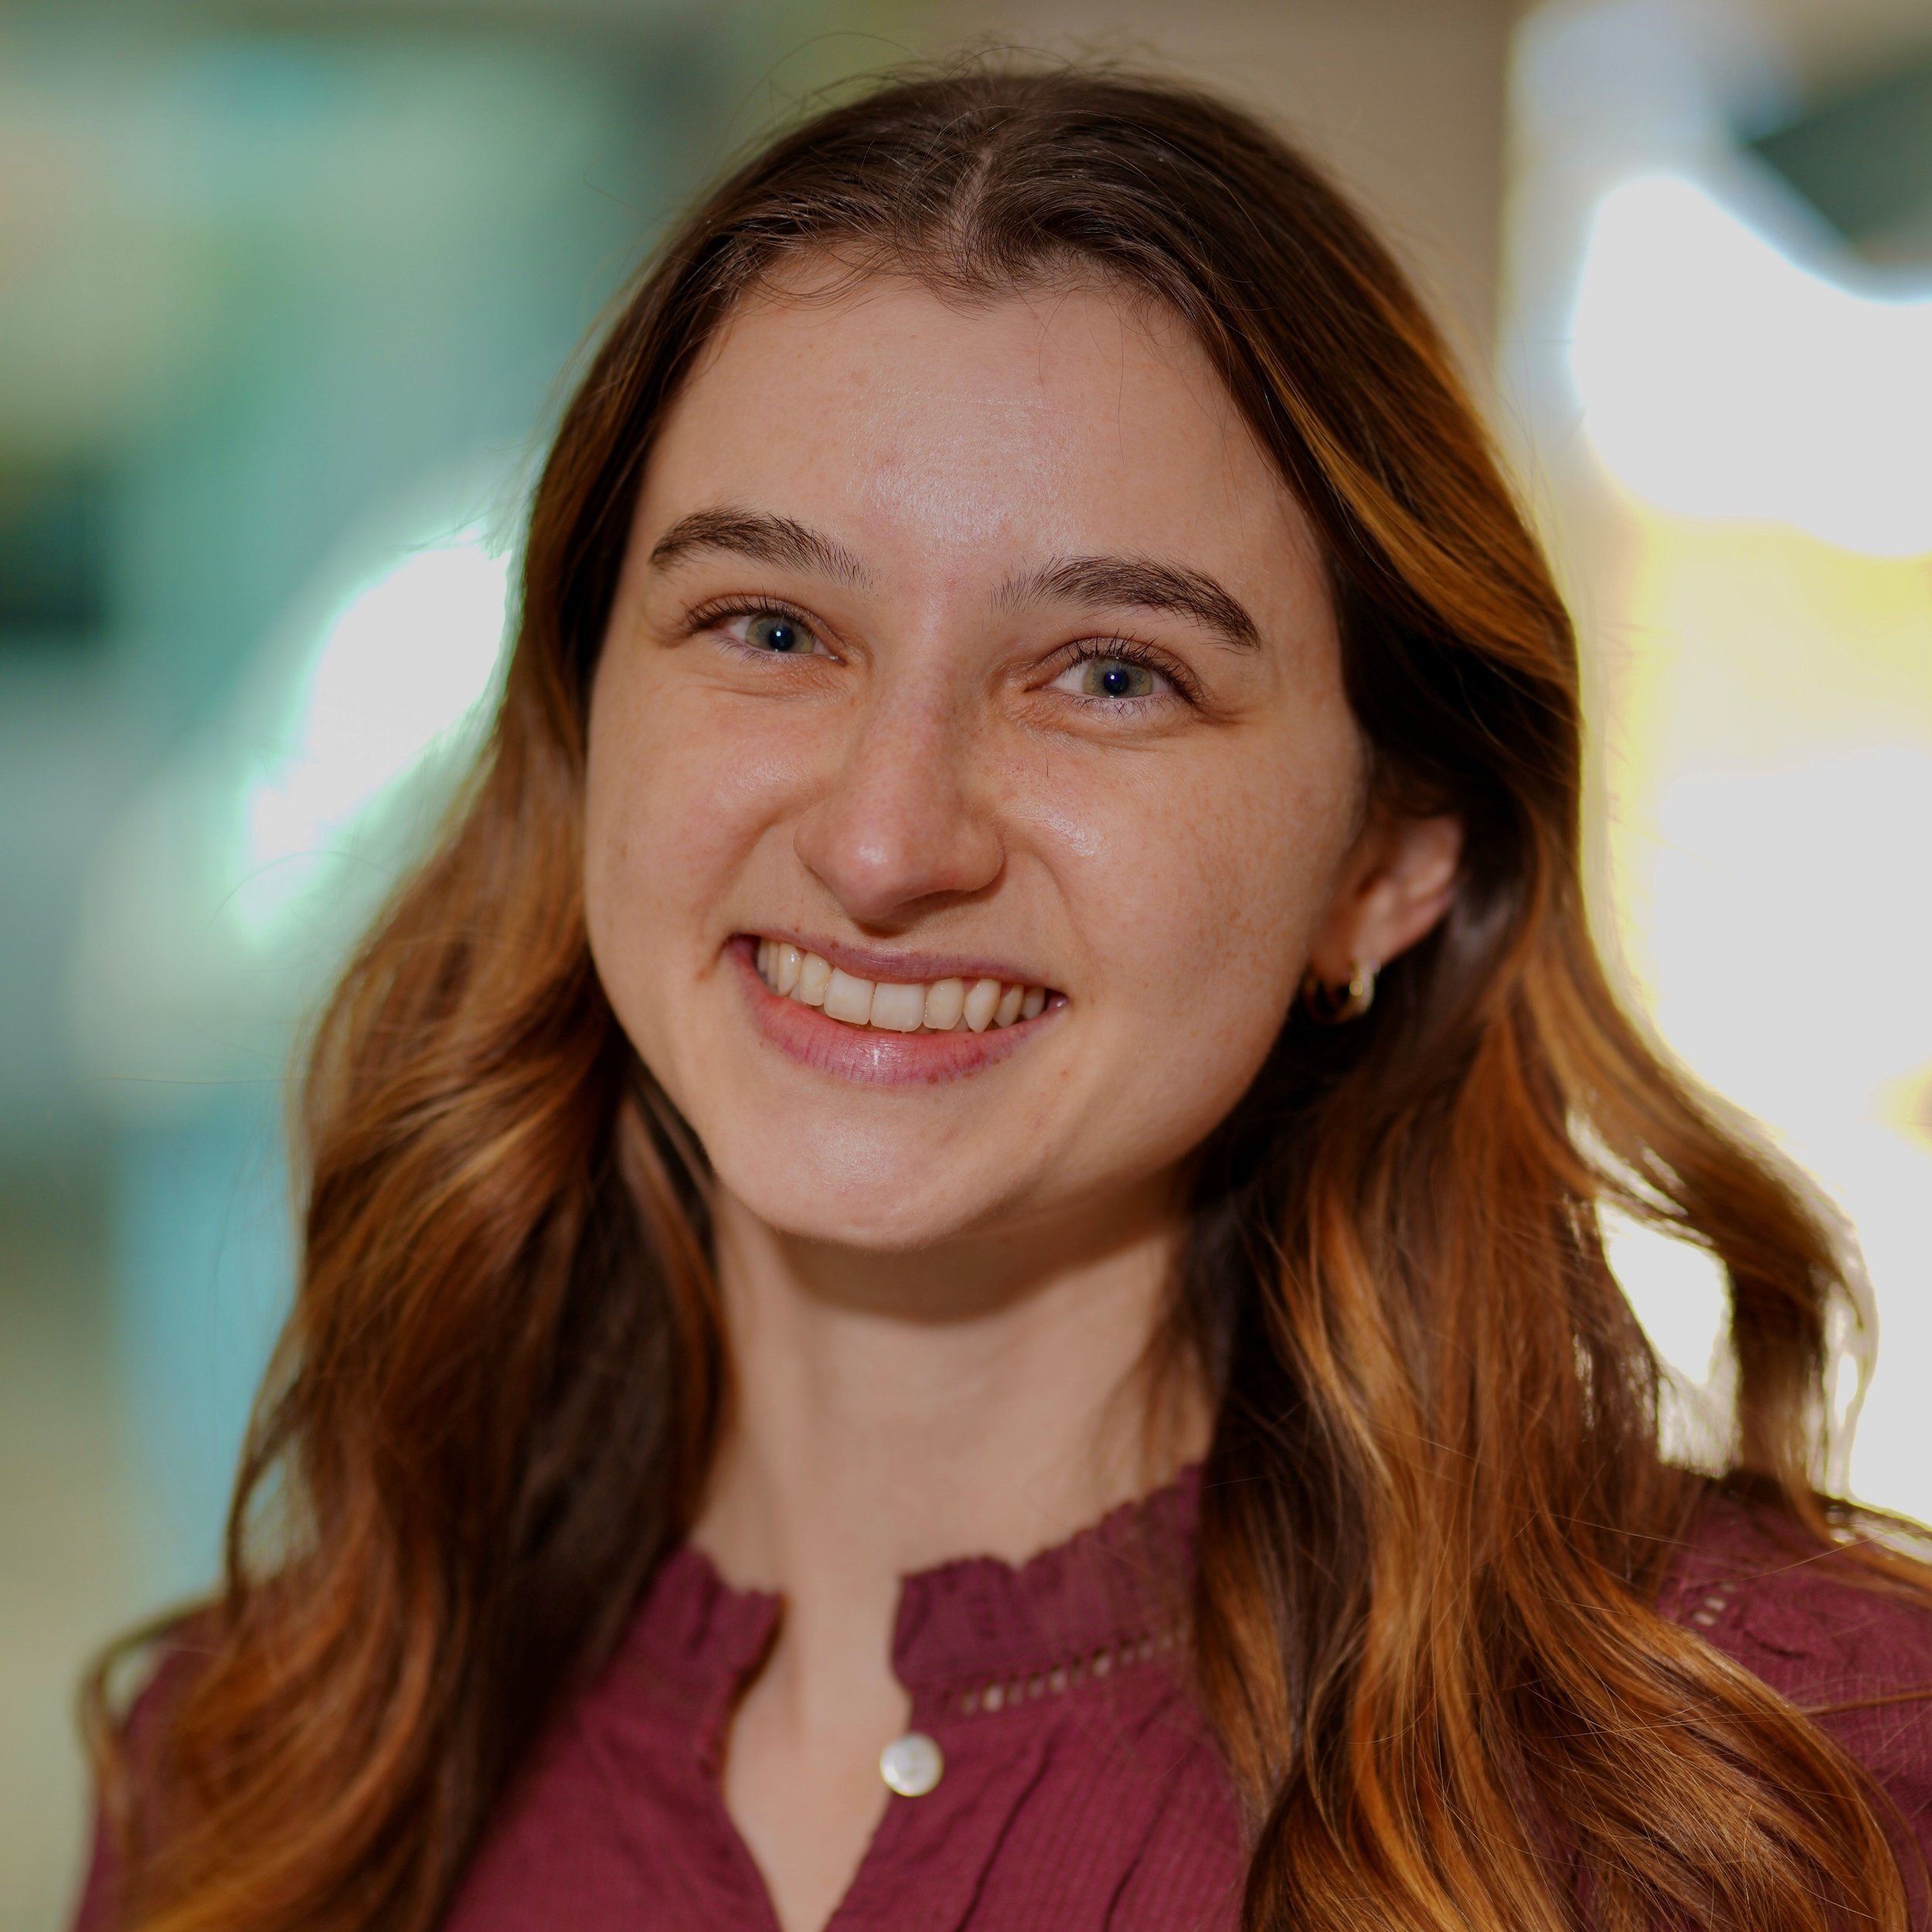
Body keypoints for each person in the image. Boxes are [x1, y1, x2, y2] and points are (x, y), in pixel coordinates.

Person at [75, 64, 1932, 1932]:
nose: (886, 844)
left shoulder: (1793, 1777)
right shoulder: (247, 1770)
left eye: (1110, 673)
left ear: (1392, 852)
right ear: (584, 724)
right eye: (772, 628)